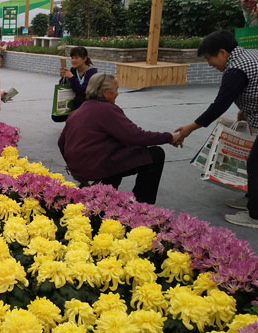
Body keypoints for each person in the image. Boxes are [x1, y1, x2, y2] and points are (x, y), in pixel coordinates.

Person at [174, 31, 258, 228]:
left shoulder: (236, 69)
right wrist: (244, 113)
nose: (210, 64)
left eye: (209, 58)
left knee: (255, 163)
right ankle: (251, 200)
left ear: (222, 53)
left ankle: (255, 214)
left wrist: (190, 128)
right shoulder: (250, 54)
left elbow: (219, 105)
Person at [58, 73, 180, 204]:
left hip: (79, 167)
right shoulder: (107, 109)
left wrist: (74, 165)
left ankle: (107, 196)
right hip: (95, 166)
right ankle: (142, 206)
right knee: (156, 154)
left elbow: (61, 142)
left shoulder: (78, 111)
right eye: (116, 89)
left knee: (119, 151)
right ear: (105, 92)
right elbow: (136, 136)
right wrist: (168, 137)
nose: (117, 93)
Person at [59, 46, 98, 111]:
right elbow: (64, 88)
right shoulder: (73, 70)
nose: (73, 60)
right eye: (72, 58)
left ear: (84, 59)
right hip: (74, 100)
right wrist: (64, 78)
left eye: (76, 58)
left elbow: (82, 91)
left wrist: (71, 77)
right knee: (56, 116)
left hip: (88, 102)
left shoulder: (92, 72)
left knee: (79, 99)